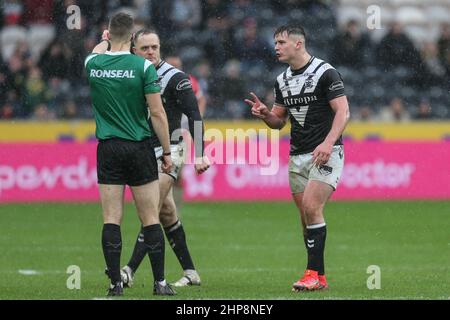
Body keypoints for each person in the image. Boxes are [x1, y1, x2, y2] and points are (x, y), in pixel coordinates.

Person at [245, 25, 350, 291]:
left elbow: (343, 112)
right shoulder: (281, 80)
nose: (276, 47)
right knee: (306, 218)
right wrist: (266, 114)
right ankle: (321, 277)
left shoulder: (325, 73)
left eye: (281, 42)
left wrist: (328, 142)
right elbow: (279, 121)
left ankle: (311, 274)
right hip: (297, 155)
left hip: (326, 153)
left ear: (298, 43)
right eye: (275, 43)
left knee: (313, 208)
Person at [84, 13, 175, 296]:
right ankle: (160, 283)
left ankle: (114, 284)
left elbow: (96, 52)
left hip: (108, 148)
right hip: (138, 147)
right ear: (134, 39)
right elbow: (158, 113)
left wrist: (104, 42)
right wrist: (167, 152)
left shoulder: (93, 64)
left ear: (108, 34)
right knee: (150, 217)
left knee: (111, 217)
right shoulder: (144, 67)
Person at [119, 28, 210, 288]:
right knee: (167, 212)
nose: (150, 52)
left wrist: (200, 153)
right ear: (134, 51)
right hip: (141, 150)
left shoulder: (175, 77)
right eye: (144, 48)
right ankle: (191, 272)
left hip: (171, 149)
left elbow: (194, 116)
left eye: (154, 47)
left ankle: (128, 270)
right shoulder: (131, 74)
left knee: (151, 207)